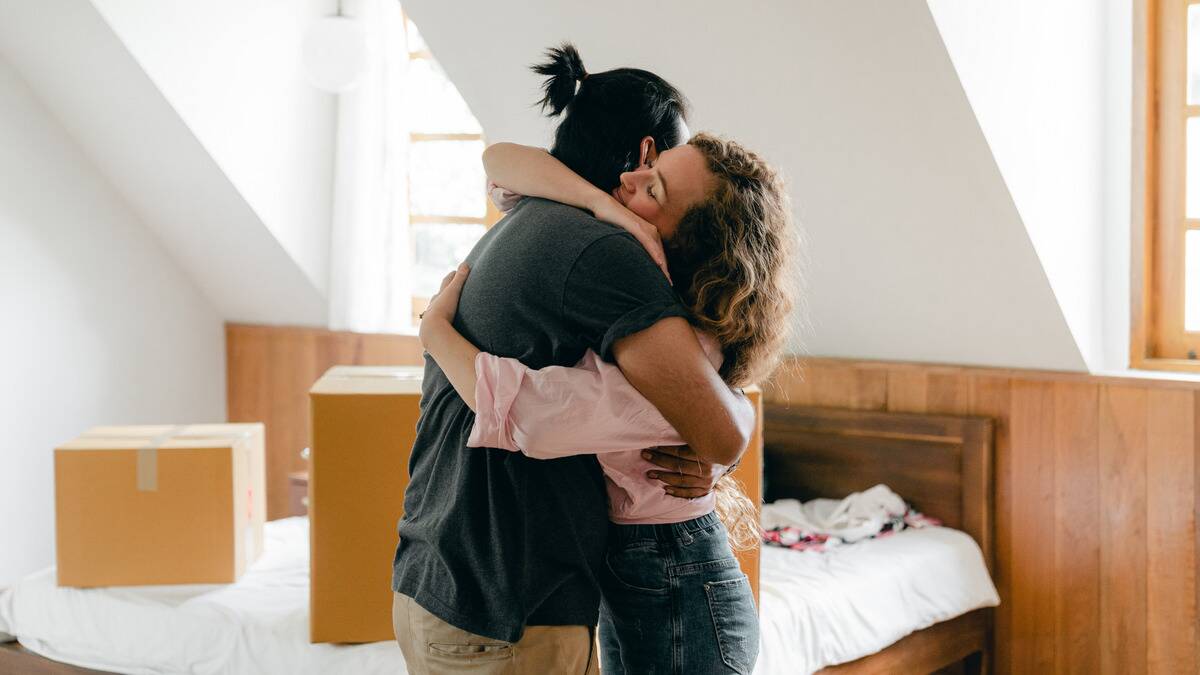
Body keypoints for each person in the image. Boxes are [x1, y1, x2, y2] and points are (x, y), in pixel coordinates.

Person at [391, 44, 754, 674]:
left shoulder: (531, 215)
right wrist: (433, 332)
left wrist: (434, 329)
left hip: (444, 577)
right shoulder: (606, 251)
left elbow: (678, 421)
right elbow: (712, 428)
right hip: (507, 602)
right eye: (666, 159)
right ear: (645, 152)